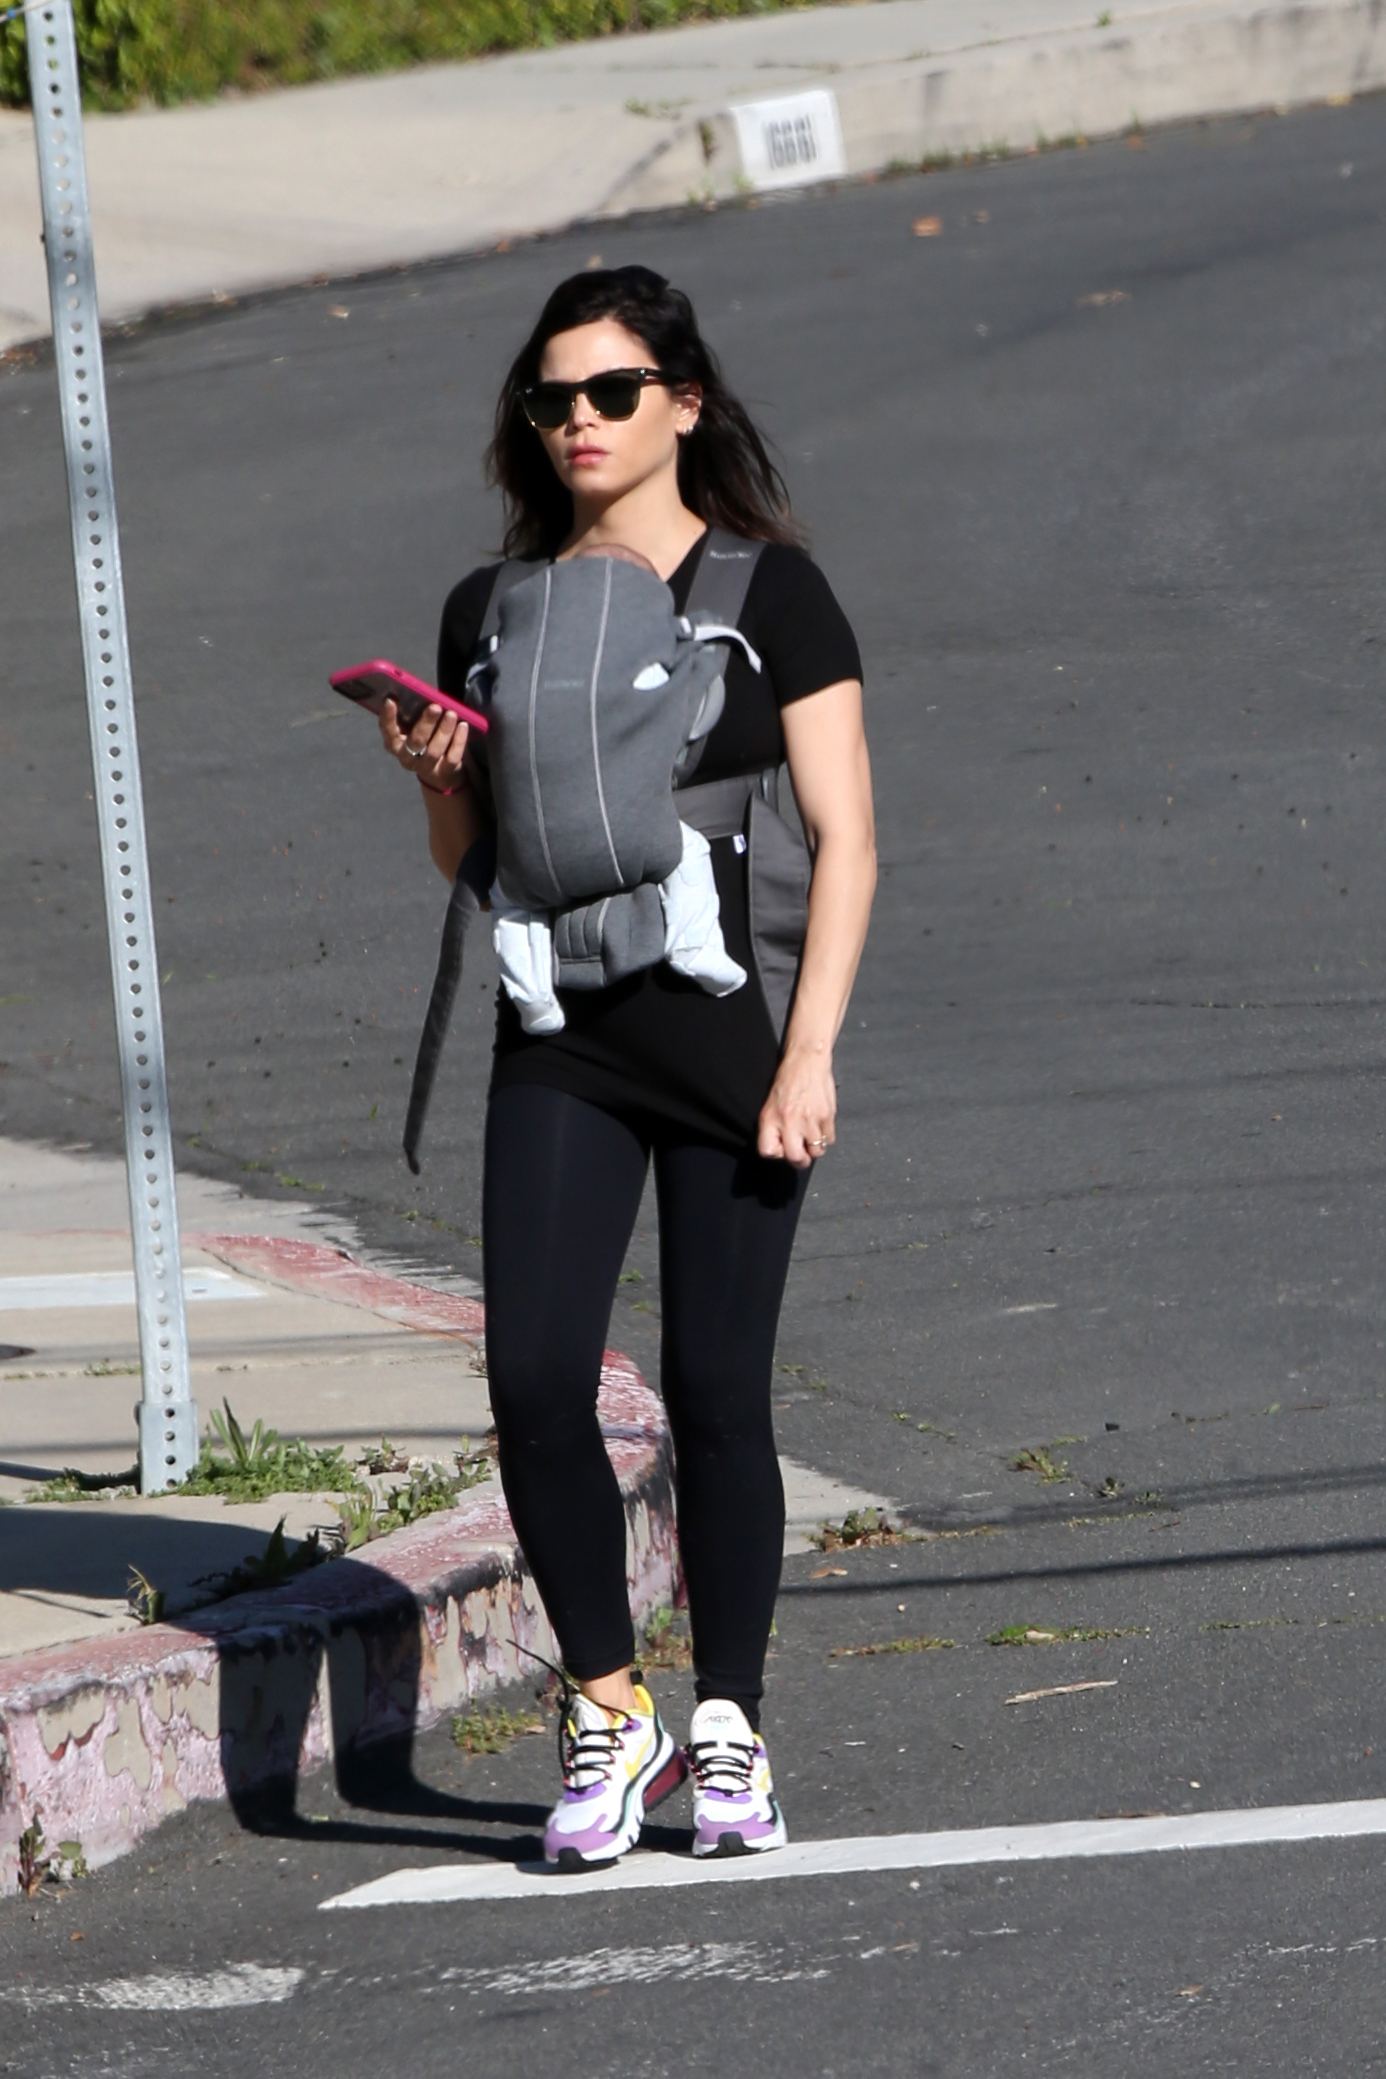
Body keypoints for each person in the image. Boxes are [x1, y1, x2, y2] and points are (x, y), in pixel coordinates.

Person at [377, 264, 876, 1868]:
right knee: (533, 1381)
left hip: (734, 1046)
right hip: (561, 1045)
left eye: (609, 391)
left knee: (718, 1394)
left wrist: (809, 1056)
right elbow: (482, 862)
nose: (577, 422)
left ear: (683, 402)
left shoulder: (770, 593)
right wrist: (435, 778)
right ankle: (609, 1707)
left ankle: (729, 1724)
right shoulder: (491, 609)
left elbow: (847, 839)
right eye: (551, 398)